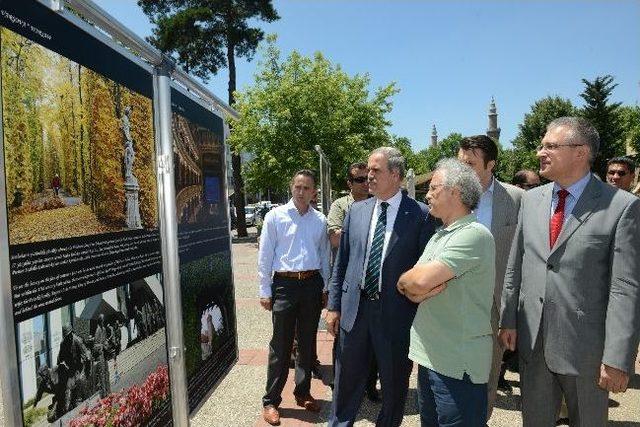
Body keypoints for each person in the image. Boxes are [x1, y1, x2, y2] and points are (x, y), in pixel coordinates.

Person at [499, 117, 640, 426]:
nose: (540, 152)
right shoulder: (532, 200)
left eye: (550, 146)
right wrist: (508, 318)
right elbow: (516, 262)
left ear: (580, 152)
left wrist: (617, 357)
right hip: (533, 341)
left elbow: (625, 286)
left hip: (586, 350)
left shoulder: (621, 206)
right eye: (541, 145)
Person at [327, 147, 438, 427]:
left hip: (397, 316)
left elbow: (426, 269)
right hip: (356, 311)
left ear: (395, 175)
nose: (368, 175)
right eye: (367, 170)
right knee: (346, 380)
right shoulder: (357, 211)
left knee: (394, 384)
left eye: (375, 170)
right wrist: (334, 306)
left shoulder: (421, 215)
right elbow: (343, 262)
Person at [398, 158, 495, 426]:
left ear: (455, 191)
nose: (427, 194)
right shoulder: (441, 235)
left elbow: (415, 284)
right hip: (431, 356)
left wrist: (415, 286)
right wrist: (414, 285)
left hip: (456, 363)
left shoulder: (473, 235)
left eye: (433, 188)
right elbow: (406, 284)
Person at [457, 135, 523, 417]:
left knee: (485, 378)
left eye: (470, 164)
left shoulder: (518, 199)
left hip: (492, 306)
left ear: (491, 165)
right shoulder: (447, 194)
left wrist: (512, 315)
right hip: (450, 301)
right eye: (460, 163)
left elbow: (523, 256)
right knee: (447, 374)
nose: (462, 170)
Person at [258, 169, 331, 426]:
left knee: (307, 342)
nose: (301, 192)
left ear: (314, 192)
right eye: (298, 187)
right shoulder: (275, 217)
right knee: (281, 345)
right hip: (284, 286)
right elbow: (265, 256)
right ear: (292, 187)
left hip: (311, 284)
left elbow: (324, 255)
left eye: (307, 188)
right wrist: (264, 290)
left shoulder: (319, 220)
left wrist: (325, 287)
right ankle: (271, 401)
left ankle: (303, 393)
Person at [326, 162, 380, 400]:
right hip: (347, 280)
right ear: (349, 184)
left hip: (373, 283)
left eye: (367, 178)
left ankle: (369, 385)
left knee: (373, 340)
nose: (365, 183)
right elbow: (335, 239)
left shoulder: (380, 203)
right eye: (359, 180)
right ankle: (339, 385)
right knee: (343, 339)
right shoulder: (341, 205)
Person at [93, 314, 111, 398]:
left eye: (104, 320)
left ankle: (108, 390)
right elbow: (95, 345)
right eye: (102, 320)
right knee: (102, 374)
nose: (103, 322)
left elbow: (105, 340)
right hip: (100, 356)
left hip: (105, 354)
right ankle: (104, 393)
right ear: (100, 321)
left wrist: (106, 343)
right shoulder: (97, 330)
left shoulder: (103, 329)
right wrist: (102, 346)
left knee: (107, 372)